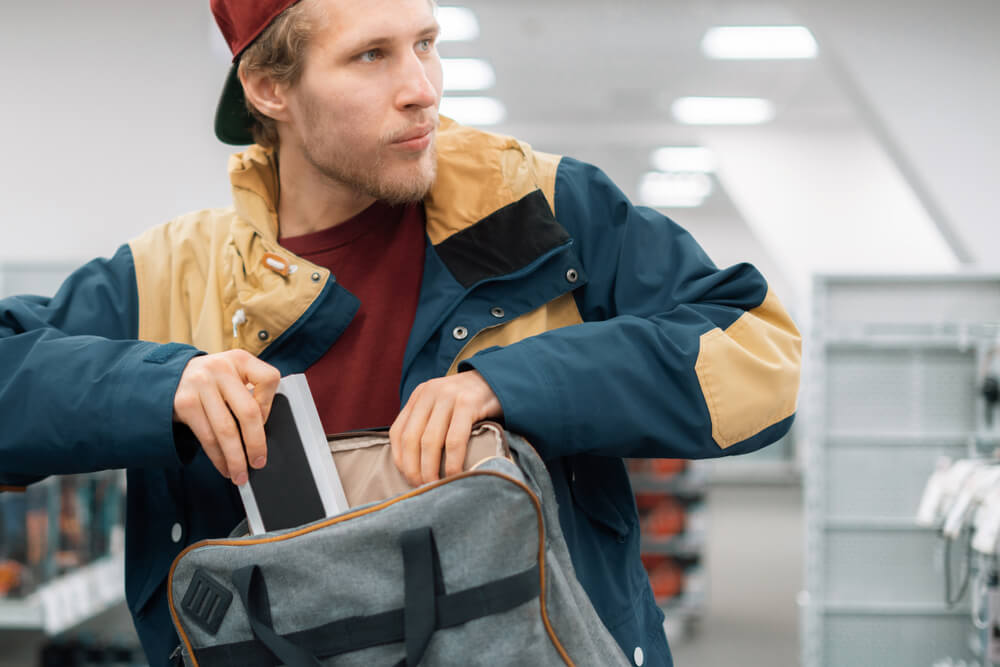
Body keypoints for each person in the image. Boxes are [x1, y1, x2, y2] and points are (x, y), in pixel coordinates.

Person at [0, 0, 802, 665]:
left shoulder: (541, 212)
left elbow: (762, 355)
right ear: (270, 87)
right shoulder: (170, 274)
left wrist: (515, 382)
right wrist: (155, 384)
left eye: (426, 44)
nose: (422, 88)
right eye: (372, 56)